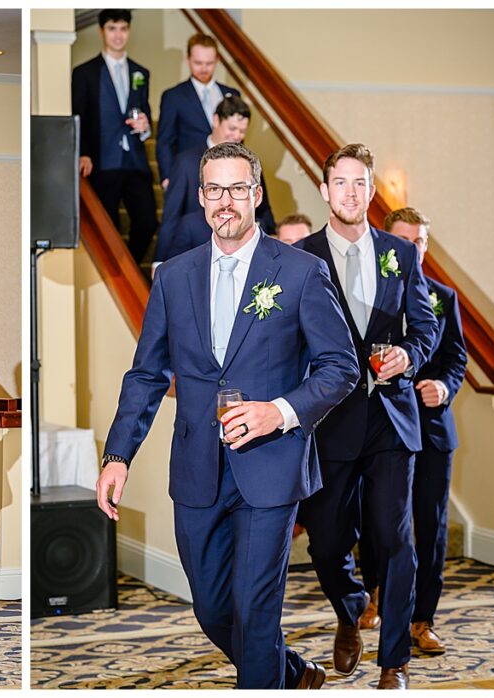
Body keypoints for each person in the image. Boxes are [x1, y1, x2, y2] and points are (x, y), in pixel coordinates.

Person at [98, 142, 359, 689]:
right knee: (214, 609)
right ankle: (290, 672)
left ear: (256, 195)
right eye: (214, 189)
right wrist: (118, 455)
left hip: (272, 466)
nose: (226, 201)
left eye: (237, 188)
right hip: (197, 468)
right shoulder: (172, 276)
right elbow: (146, 374)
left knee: (256, 608)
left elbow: (341, 367)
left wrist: (280, 412)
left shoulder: (301, 271)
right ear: (200, 197)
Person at [294, 144, 438, 689]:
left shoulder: (399, 255)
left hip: (390, 418)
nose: (351, 192)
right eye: (341, 183)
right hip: (328, 420)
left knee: (394, 537)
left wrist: (409, 354)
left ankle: (393, 661)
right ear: (326, 191)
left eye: (361, 183)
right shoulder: (300, 257)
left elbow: (425, 327)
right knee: (328, 542)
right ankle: (351, 608)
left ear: (371, 192)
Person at [356, 207, 467, 655]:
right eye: (404, 239)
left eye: (419, 241)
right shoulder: (369, 295)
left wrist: (443, 386)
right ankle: (376, 594)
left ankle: (423, 620)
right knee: (378, 519)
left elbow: (457, 358)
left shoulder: (444, 297)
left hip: (433, 432)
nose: (412, 248)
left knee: (430, 527)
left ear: (425, 245)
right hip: (383, 430)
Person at [72, 9, 158, 264]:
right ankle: (117, 266)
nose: (118, 35)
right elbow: (78, 116)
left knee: (147, 221)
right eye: (112, 28)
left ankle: (127, 265)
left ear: (129, 31)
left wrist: (145, 127)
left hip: (134, 161)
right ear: (102, 31)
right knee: (108, 223)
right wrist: (83, 152)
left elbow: (145, 111)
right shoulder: (85, 73)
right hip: (102, 161)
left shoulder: (140, 72)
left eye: (123, 28)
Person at [153, 95, 275, 269]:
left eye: (242, 131)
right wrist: (159, 260)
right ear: (216, 120)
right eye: (232, 128)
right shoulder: (185, 162)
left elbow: (265, 211)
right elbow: (171, 215)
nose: (237, 136)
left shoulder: (249, 163)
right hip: (193, 252)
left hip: (241, 255)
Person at [156, 33, 239, 187]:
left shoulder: (231, 94)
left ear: (217, 61)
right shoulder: (173, 96)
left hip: (225, 174)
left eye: (209, 63)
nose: (203, 68)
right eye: (198, 63)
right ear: (187, 60)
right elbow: (165, 141)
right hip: (188, 175)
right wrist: (167, 177)